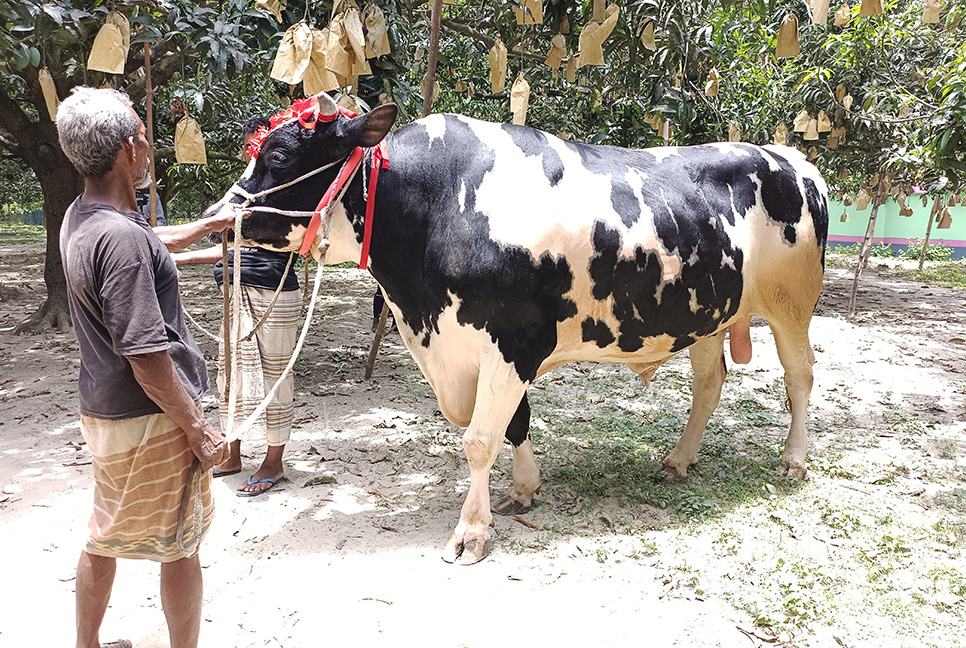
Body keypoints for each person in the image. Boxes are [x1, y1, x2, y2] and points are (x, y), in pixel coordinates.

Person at [56, 87, 236, 648]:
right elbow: (147, 356)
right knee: (180, 543)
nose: (149, 143)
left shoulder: (82, 217)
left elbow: (143, 242)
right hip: (151, 416)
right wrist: (198, 429)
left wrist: (208, 232)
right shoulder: (122, 239)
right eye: (141, 134)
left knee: (104, 533)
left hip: (104, 410)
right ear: (125, 154)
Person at [170, 116, 301, 497]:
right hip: (235, 289)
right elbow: (228, 247)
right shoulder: (244, 192)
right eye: (248, 147)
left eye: (255, 146)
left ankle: (273, 463)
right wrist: (176, 257)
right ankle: (232, 452)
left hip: (273, 291)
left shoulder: (280, 195)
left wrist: (179, 257)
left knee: (276, 378)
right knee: (233, 379)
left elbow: (250, 245)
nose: (250, 152)